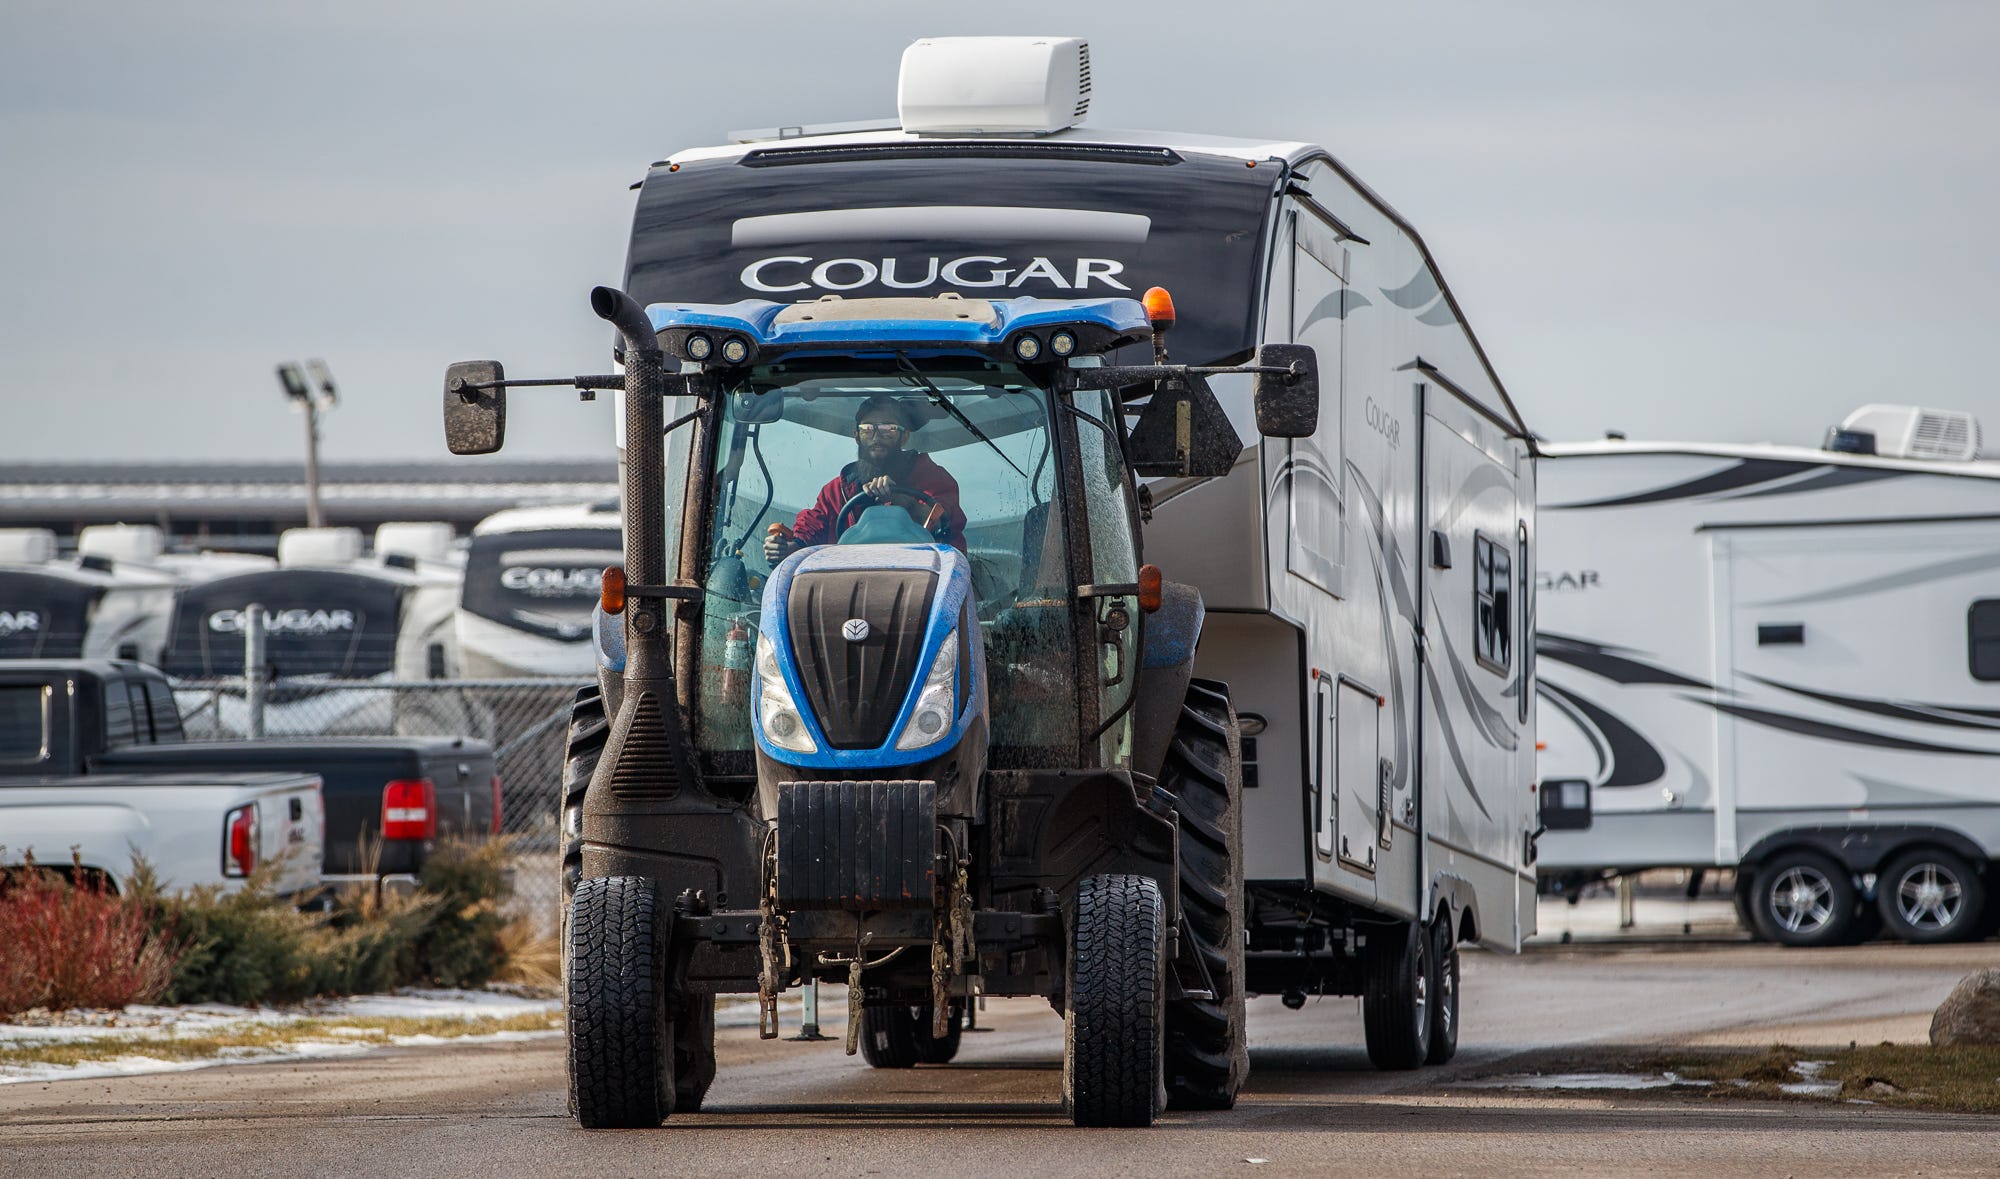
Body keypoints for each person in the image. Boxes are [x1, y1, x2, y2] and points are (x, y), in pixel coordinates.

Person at [763, 394, 968, 563]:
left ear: (904, 437)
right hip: (846, 596)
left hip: (927, 589)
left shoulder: (933, 479)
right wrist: (789, 548)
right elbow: (813, 528)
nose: (877, 438)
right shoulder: (836, 491)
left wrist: (905, 503)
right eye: (868, 430)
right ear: (856, 436)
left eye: (888, 430)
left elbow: (946, 525)